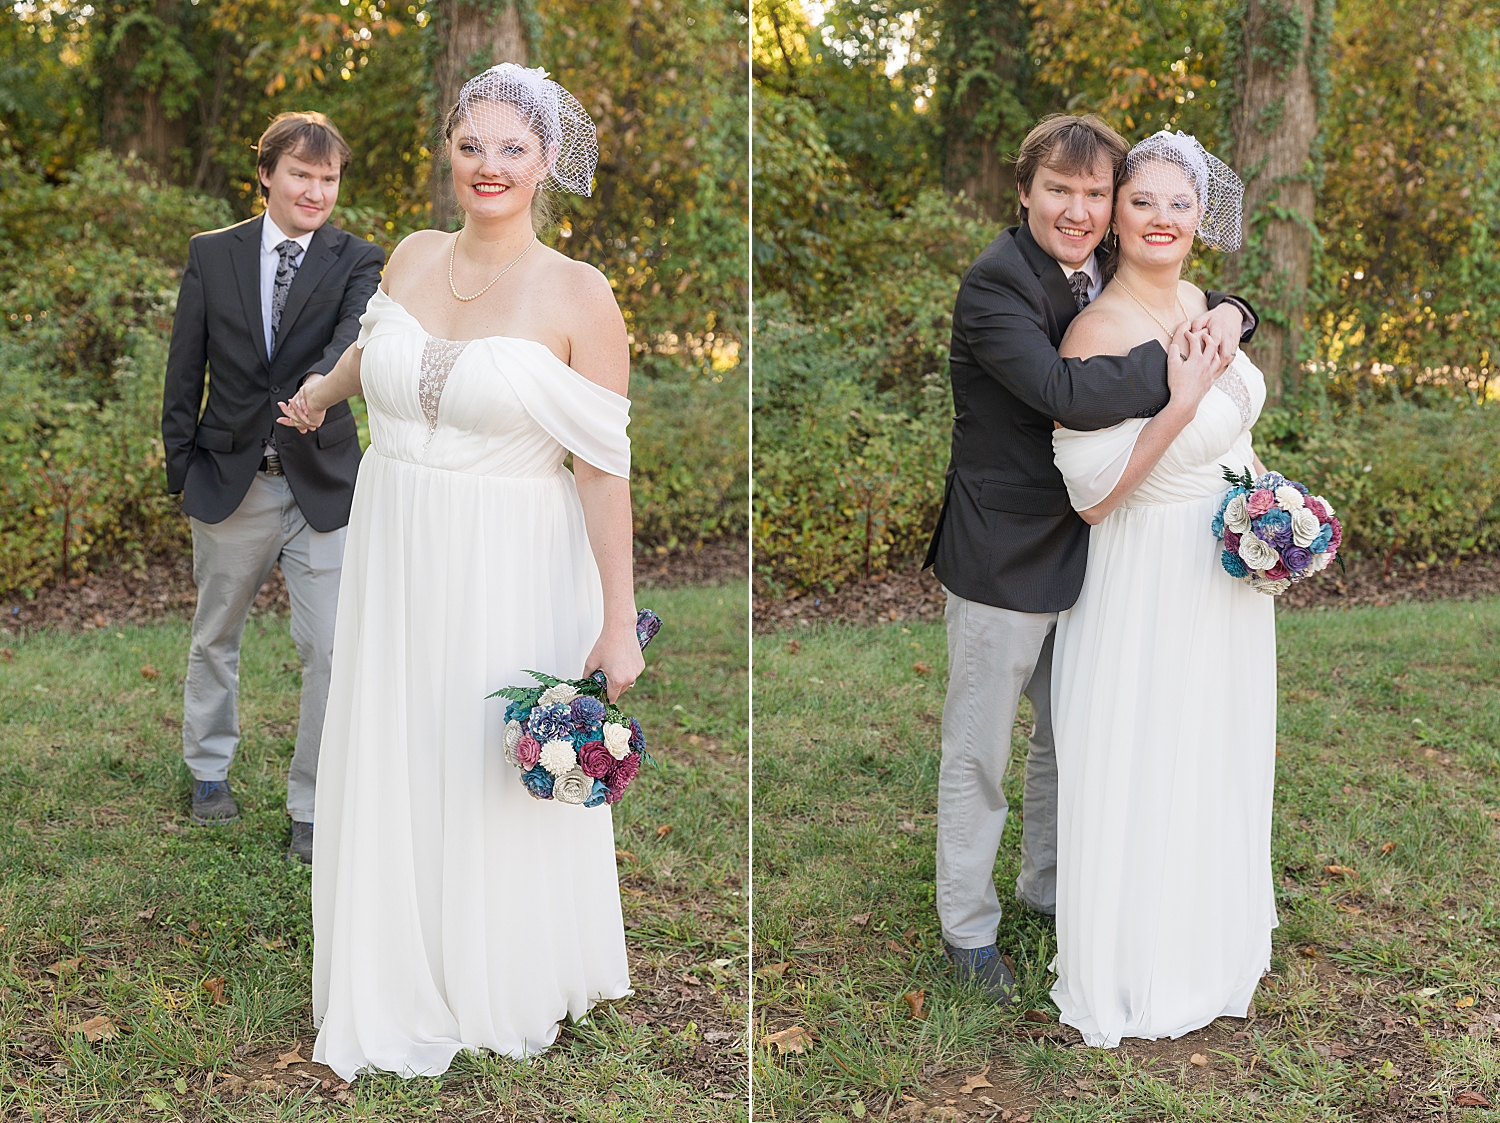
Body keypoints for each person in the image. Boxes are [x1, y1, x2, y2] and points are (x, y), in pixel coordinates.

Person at [275, 63, 641, 1079]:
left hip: (508, 559)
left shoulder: (580, 293)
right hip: (396, 543)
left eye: (512, 149)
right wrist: (323, 388)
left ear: (548, 162)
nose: (489, 165)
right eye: (472, 143)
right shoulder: (413, 254)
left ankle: (493, 970)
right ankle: (397, 954)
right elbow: (378, 347)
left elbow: (603, 471)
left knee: (480, 759)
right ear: (449, 147)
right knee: (399, 740)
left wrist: (618, 622)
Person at [922, 114, 1260, 1000]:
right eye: (1059, 190)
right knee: (980, 748)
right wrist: (1190, 362)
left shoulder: (1103, 265)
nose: (1078, 209)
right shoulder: (995, 284)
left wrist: (1233, 311)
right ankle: (968, 928)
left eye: (1093, 193)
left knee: (1071, 732)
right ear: (1025, 190)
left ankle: (1050, 887)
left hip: (1106, 544)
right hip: (1007, 547)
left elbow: (1180, 277)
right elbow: (1063, 392)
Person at [1048, 130, 1276, 1046]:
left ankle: (1210, 934)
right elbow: (1095, 497)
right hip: (1145, 571)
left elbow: (1236, 424)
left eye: (1180, 203)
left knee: (1214, 746)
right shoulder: (1096, 330)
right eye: (1141, 201)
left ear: (1202, 218)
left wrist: (1269, 514)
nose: (1161, 219)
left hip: (1222, 575)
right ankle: (1141, 956)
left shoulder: (1204, 304)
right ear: (1114, 217)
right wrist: (1178, 402)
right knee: (1147, 747)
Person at [160, 112, 384, 861]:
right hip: (231, 481)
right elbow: (183, 367)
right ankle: (207, 770)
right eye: (302, 174)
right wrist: (181, 469)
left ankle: (312, 807)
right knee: (216, 633)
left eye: (329, 178)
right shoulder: (212, 254)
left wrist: (318, 387)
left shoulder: (359, 258)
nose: (316, 190)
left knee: (330, 648)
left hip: (322, 482)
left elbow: (352, 336)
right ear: (266, 174)